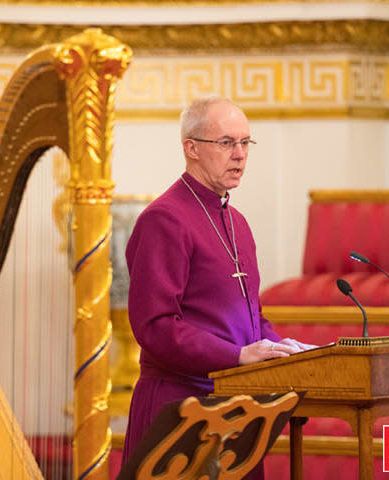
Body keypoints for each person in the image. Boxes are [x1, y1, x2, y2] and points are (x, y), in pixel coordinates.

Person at [121, 97, 315, 473]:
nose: (240, 154)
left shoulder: (237, 222)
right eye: (226, 142)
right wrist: (237, 356)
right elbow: (155, 326)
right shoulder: (164, 219)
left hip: (238, 407)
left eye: (245, 143)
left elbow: (249, 315)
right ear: (191, 148)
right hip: (181, 406)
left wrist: (283, 348)